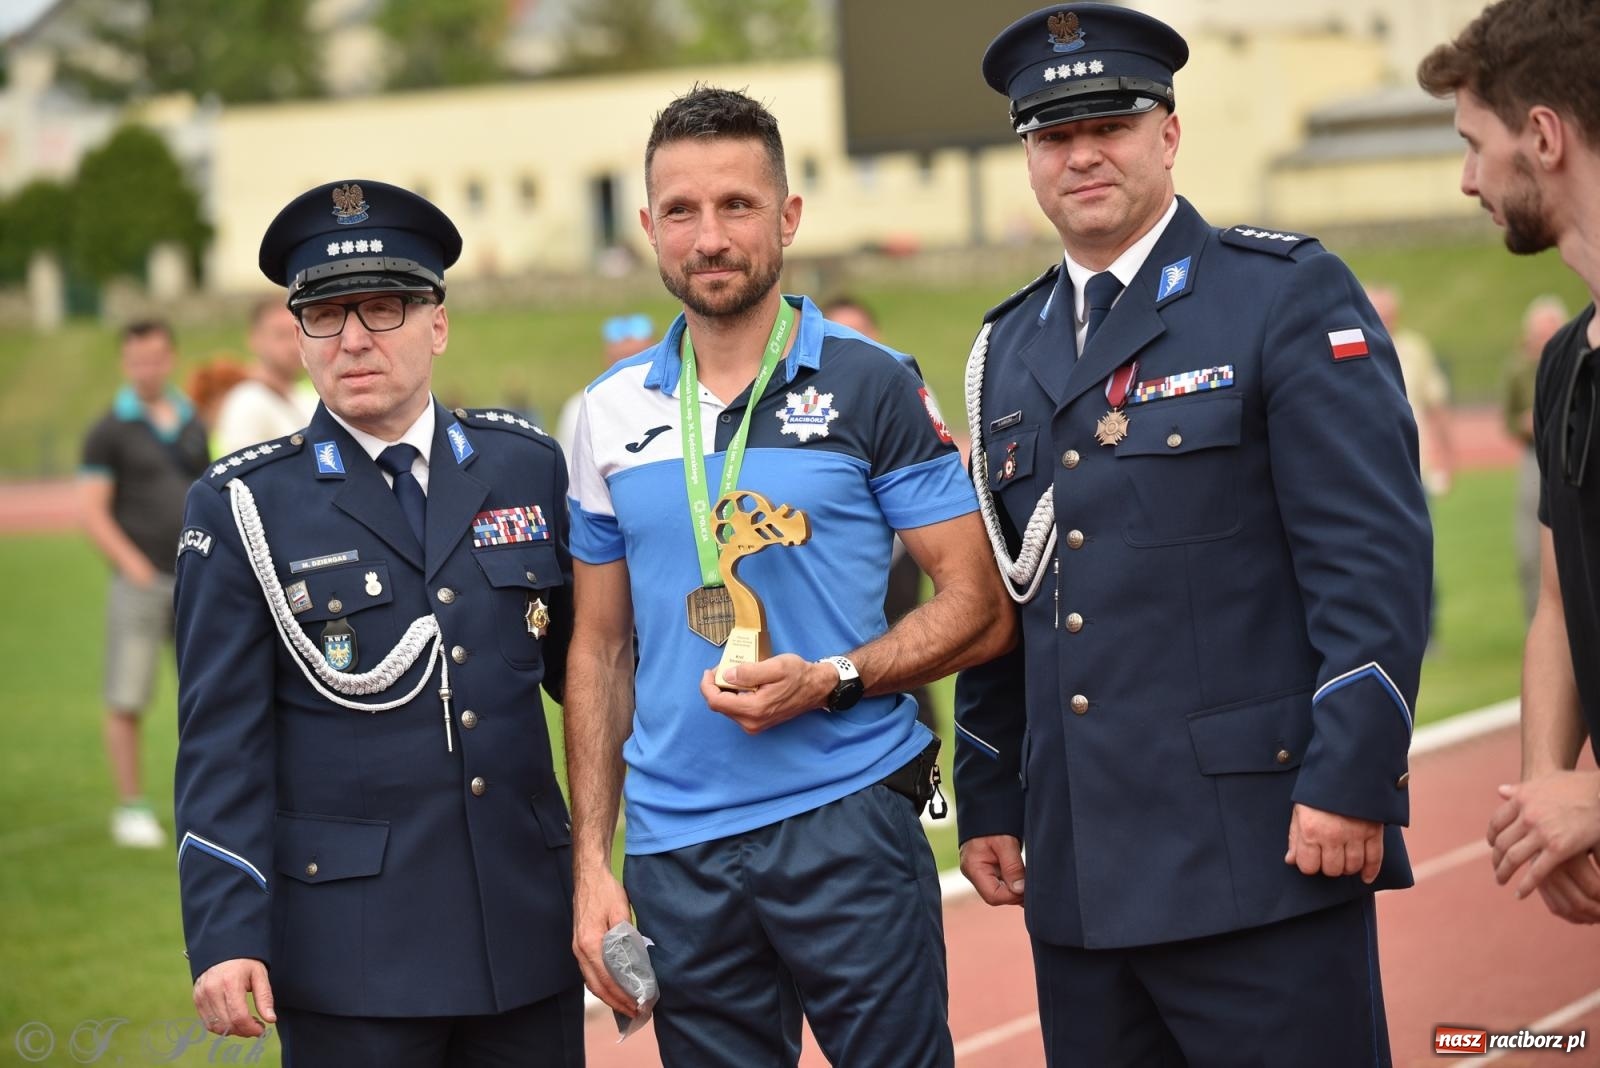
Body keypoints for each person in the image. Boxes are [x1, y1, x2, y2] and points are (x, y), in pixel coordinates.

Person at [953, 7, 1432, 1065]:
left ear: (1166, 134)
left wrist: (1351, 779)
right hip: (1080, 882)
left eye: (1109, 125)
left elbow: (1372, 564)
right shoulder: (1007, 345)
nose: (1081, 154)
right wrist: (987, 788)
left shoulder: (1278, 296)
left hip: (1261, 857)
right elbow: (1015, 588)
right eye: (1050, 134)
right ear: (1027, 157)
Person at [563, 86, 1014, 1067]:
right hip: (675, 850)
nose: (709, 235)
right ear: (648, 227)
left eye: (736, 205)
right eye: (680, 210)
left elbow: (978, 608)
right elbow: (597, 651)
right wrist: (592, 866)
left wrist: (831, 679)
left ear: (788, 217)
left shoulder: (872, 381)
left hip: (844, 819)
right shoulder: (602, 414)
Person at [172, 178, 583, 1064]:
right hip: (354, 955)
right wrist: (224, 927)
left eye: (384, 307)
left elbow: (594, 675)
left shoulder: (524, 469)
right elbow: (219, 744)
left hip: (525, 931)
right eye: (325, 314)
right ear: (299, 332)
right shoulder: (243, 504)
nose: (353, 338)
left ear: (437, 323)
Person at [1419, 0, 1600, 926]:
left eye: (1471, 142)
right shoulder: (1566, 362)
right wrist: (1544, 793)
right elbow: (1564, 602)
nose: (1464, 179)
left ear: (1542, 136)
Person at [80, 319, 211, 849]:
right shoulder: (108, 428)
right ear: (124, 363)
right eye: (136, 361)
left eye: (155, 358)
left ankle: (205, 801)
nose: (147, 369)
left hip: (196, 581)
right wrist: (131, 564)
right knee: (127, 694)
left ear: (171, 356)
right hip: (140, 581)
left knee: (206, 693)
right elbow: (91, 510)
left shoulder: (192, 420)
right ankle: (130, 807)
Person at [820, 294, 937, 734]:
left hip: (899, 557)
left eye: (861, 331)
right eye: (840, 332)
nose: (853, 342)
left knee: (908, 657)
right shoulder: (812, 401)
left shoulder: (898, 386)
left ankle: (923, 769)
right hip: (832, 569)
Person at [1504, 295, 1569, 621]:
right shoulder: (1519, 369)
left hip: (1573, 455)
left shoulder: (1577, 357)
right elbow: (1508, 421)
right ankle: (1539, 621)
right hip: (1535, 457)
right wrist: (1527, 422)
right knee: (1530, 548)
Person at [1368, 285, 1455, 497]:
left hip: (1415, 467)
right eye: (1378, 312)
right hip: (1370, 469)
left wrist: (1446, 459)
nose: (1384, 320)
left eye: (1388, 314)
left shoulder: (1415, 348)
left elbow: (1436, 403)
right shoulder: (1356, 349)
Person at [212, 299, 319, 456]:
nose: (292, 345)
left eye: (296, 333)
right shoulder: (247, 400)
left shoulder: (304, 395)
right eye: (280, 335)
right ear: (254, 338)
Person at [552, 312, 655, 458]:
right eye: (621, 361)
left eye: (639, 357)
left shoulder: (674, 398)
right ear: (606, 358)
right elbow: (571, 468)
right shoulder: (582, 405)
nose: (631, 370)